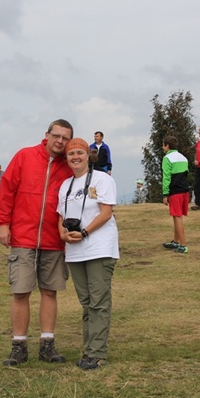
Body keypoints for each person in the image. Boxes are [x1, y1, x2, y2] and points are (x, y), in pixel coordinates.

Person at [0, 119, 74, 367]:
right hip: (23, 236)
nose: (60, 141)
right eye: (56, 136)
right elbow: (7, 189)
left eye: (65, 138)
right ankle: (18, 346)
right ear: (47, 135)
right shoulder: (25, 156)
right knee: (21, 291)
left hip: (53, 239)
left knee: (50, 291)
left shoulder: (69, 165)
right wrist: (3, 224)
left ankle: (47, 345)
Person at [57, 138, 119, 370]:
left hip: (99, 248)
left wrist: (84, 232)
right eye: (71, 153)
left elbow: (106, 213)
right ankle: (89, 349)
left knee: (99, 301)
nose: (75, 157)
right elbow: (60, 217)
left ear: (88, 155)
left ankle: (97, 353)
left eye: (79, 152)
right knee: (87, 303)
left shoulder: (103, 179)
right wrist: (63, 234)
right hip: (74, 251)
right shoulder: (66, 185)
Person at [161, 136, 190, 253]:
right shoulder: (183, 158)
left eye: (163, 145)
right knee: (176, 216)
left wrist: (165, 194)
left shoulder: (167, 158)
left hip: (175, 192)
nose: (163, 148)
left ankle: (183, 245)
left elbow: (166, 177)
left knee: (177, 217)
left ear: (167, 146)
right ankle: (175, 241)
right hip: (184, 190)